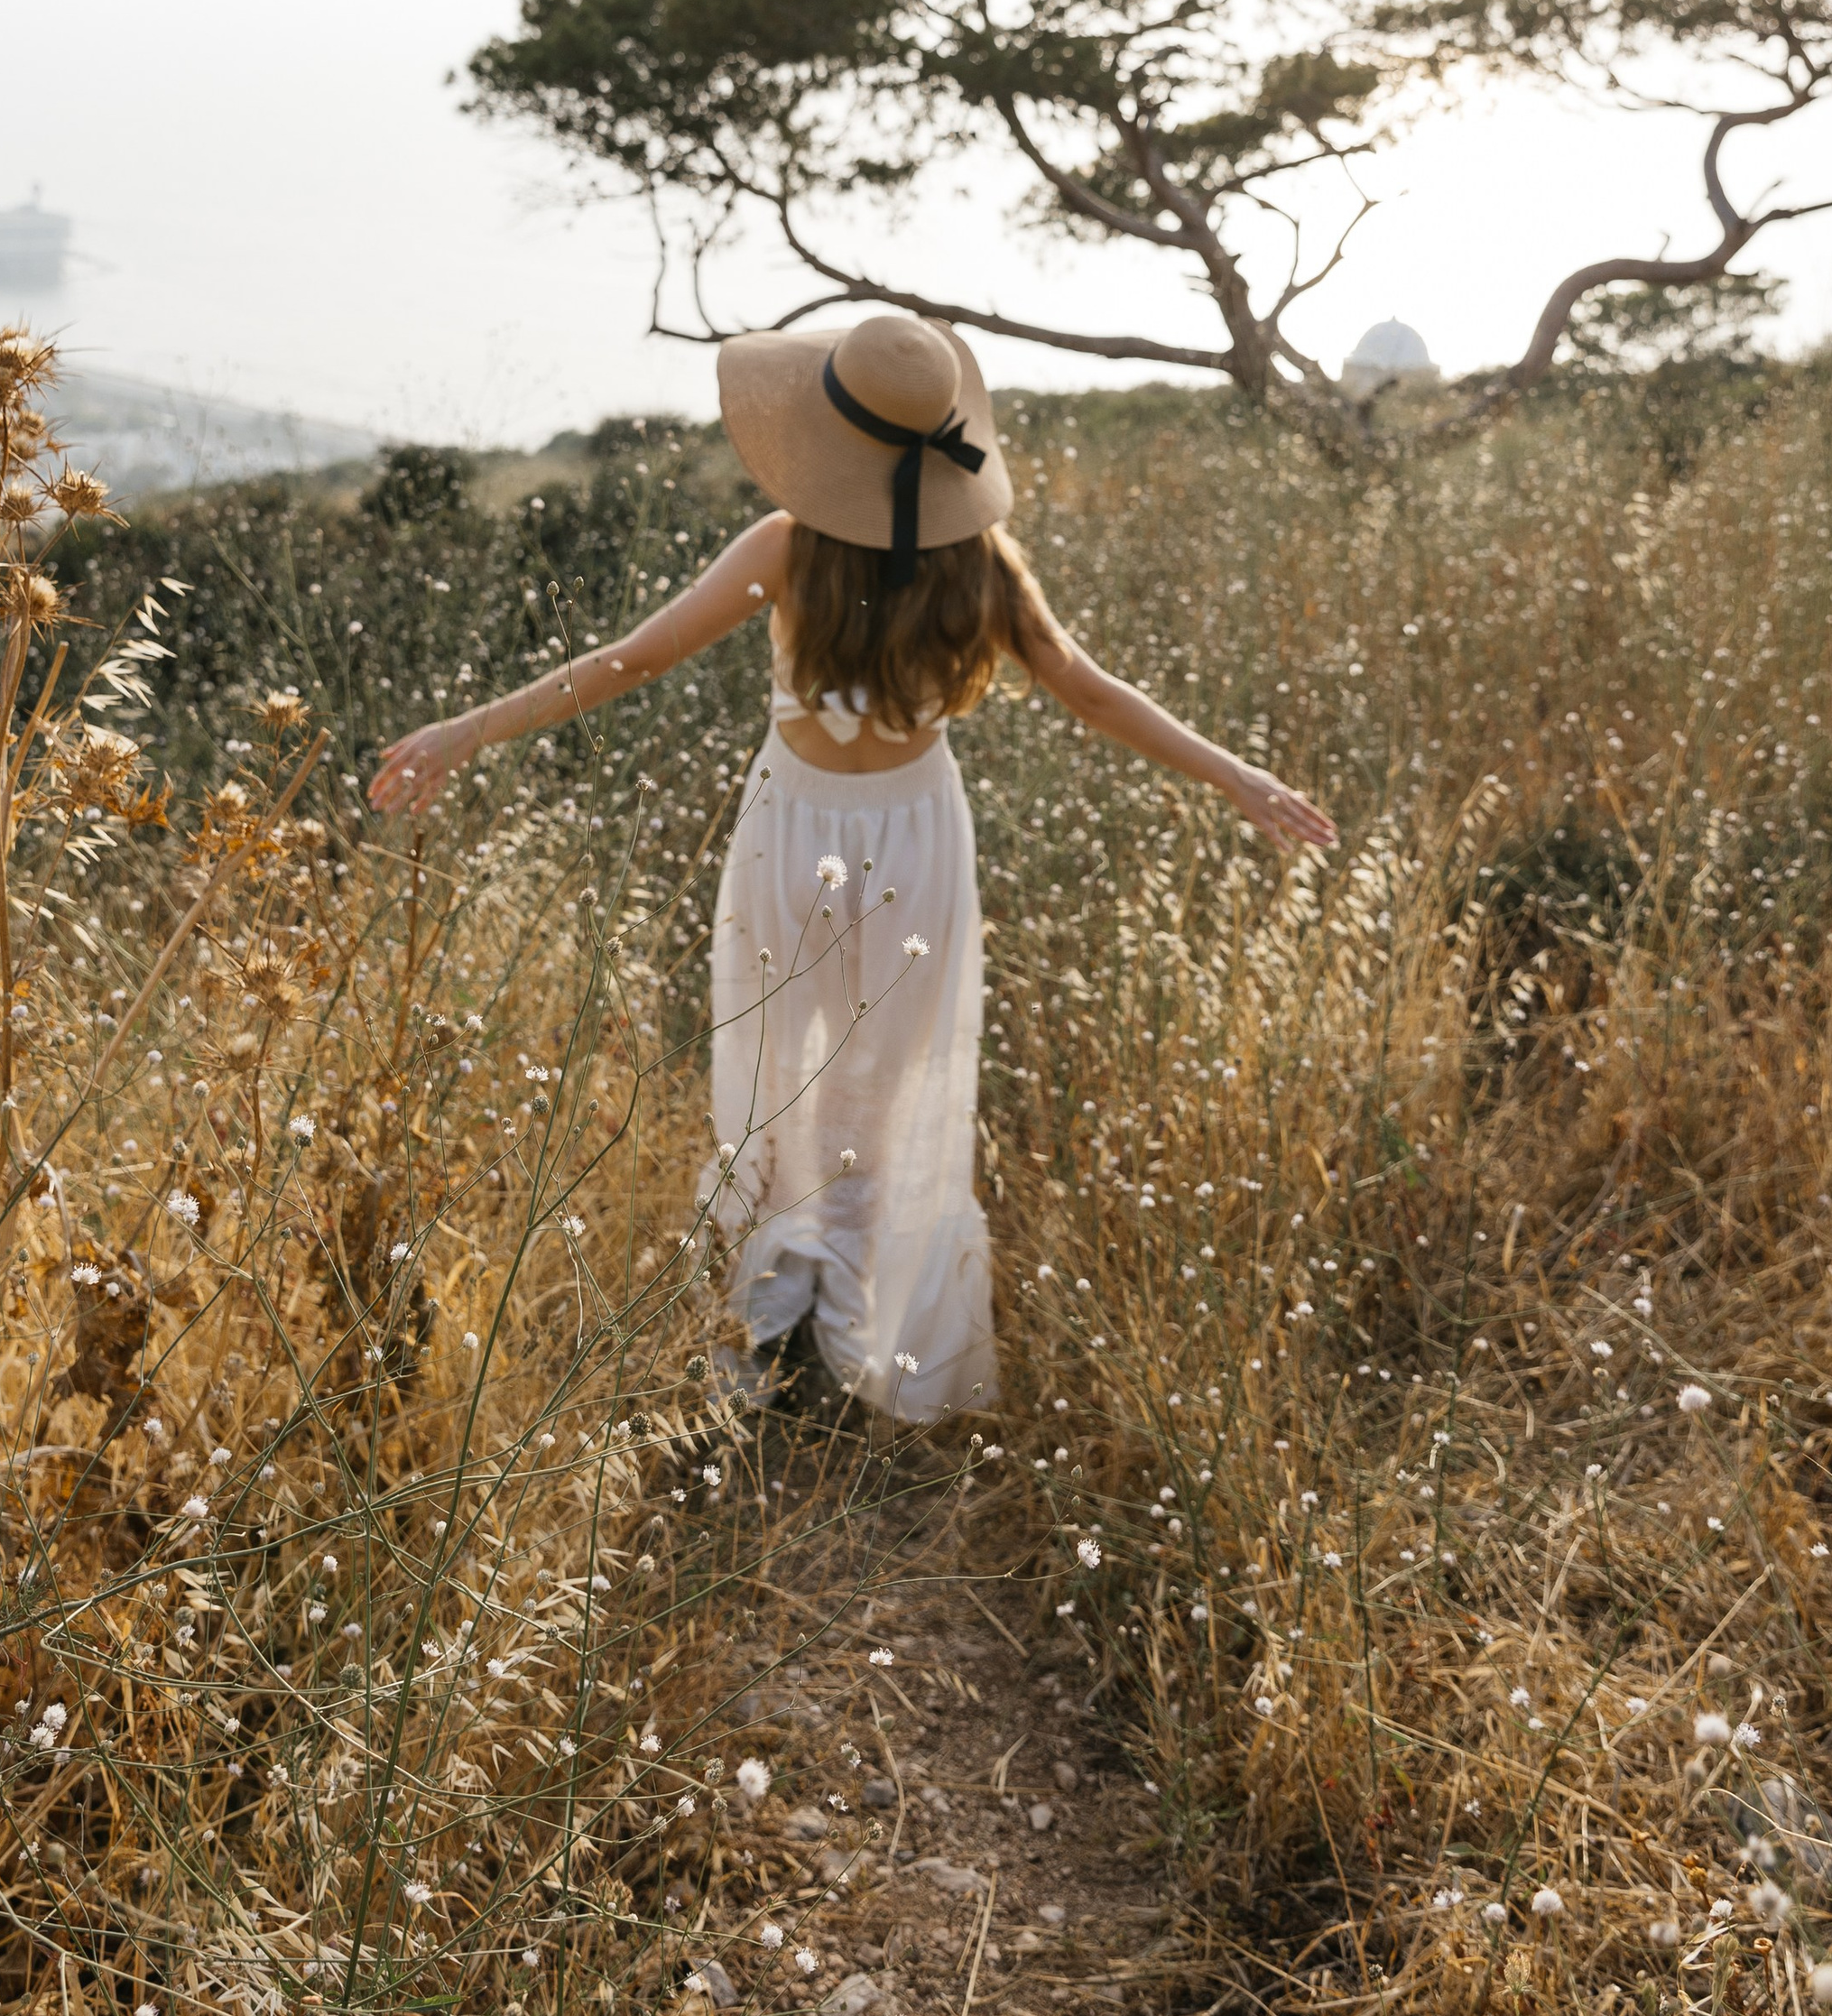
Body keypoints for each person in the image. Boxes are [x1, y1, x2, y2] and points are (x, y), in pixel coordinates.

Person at [369, 311, 1335, 1424]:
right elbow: (1093, 692)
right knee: (879, 1082)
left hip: (798, 826)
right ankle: (848, 1322)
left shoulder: (786, 544)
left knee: (779, 1062)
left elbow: (628, 659)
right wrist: (1236, 777)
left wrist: (460, 733)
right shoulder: (981, 559)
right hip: (918, 830)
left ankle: (773, 1321)